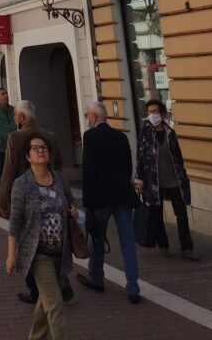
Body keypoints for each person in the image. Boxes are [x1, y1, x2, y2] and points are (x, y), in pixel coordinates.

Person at [6, 135, 78, 340]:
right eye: (35, 148)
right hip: (39, 254)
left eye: (44, 147)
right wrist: (11, 256)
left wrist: (73, 211)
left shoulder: (59, 178)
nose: (40, 151)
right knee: (55, 305)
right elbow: (15, 222)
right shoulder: (23, 184)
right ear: (28, 156)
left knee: (45, 303)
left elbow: (72, 205)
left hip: (61, 252)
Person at [0, 100, 66, 305]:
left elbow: (8, 171)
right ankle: (54, 285)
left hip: (27, 197)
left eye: (15, 116)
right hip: (52, 194)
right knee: (46, 239)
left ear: (20, 117)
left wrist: (2, 200)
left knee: (28, 243)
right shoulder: (50, 136)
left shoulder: (15, 137)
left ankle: (37, 291)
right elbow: (60, 165)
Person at [77, 101, 140, 303]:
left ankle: (96, 279)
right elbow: (128, 166)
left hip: (100, 197)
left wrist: (87, 201)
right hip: (122, 196)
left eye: (88, 116)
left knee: (97, 239)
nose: (87, 119)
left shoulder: (90, 137)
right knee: (128, 243)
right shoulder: (121, 137)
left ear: (94, 117)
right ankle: (133, 288)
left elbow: (89, 171)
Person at [135, 99, 198, 260]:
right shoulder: (145, 134)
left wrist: (182, 175)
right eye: (149, 112)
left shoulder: (171, 133)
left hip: (174, 180)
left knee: (182, 214)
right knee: (156, 215)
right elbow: (140, 158)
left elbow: (178, 156)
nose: (152, 115)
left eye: (155, 111)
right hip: (154, 182)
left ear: (162, 114)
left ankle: (187, 248)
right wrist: (139, 180)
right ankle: (163, 246)